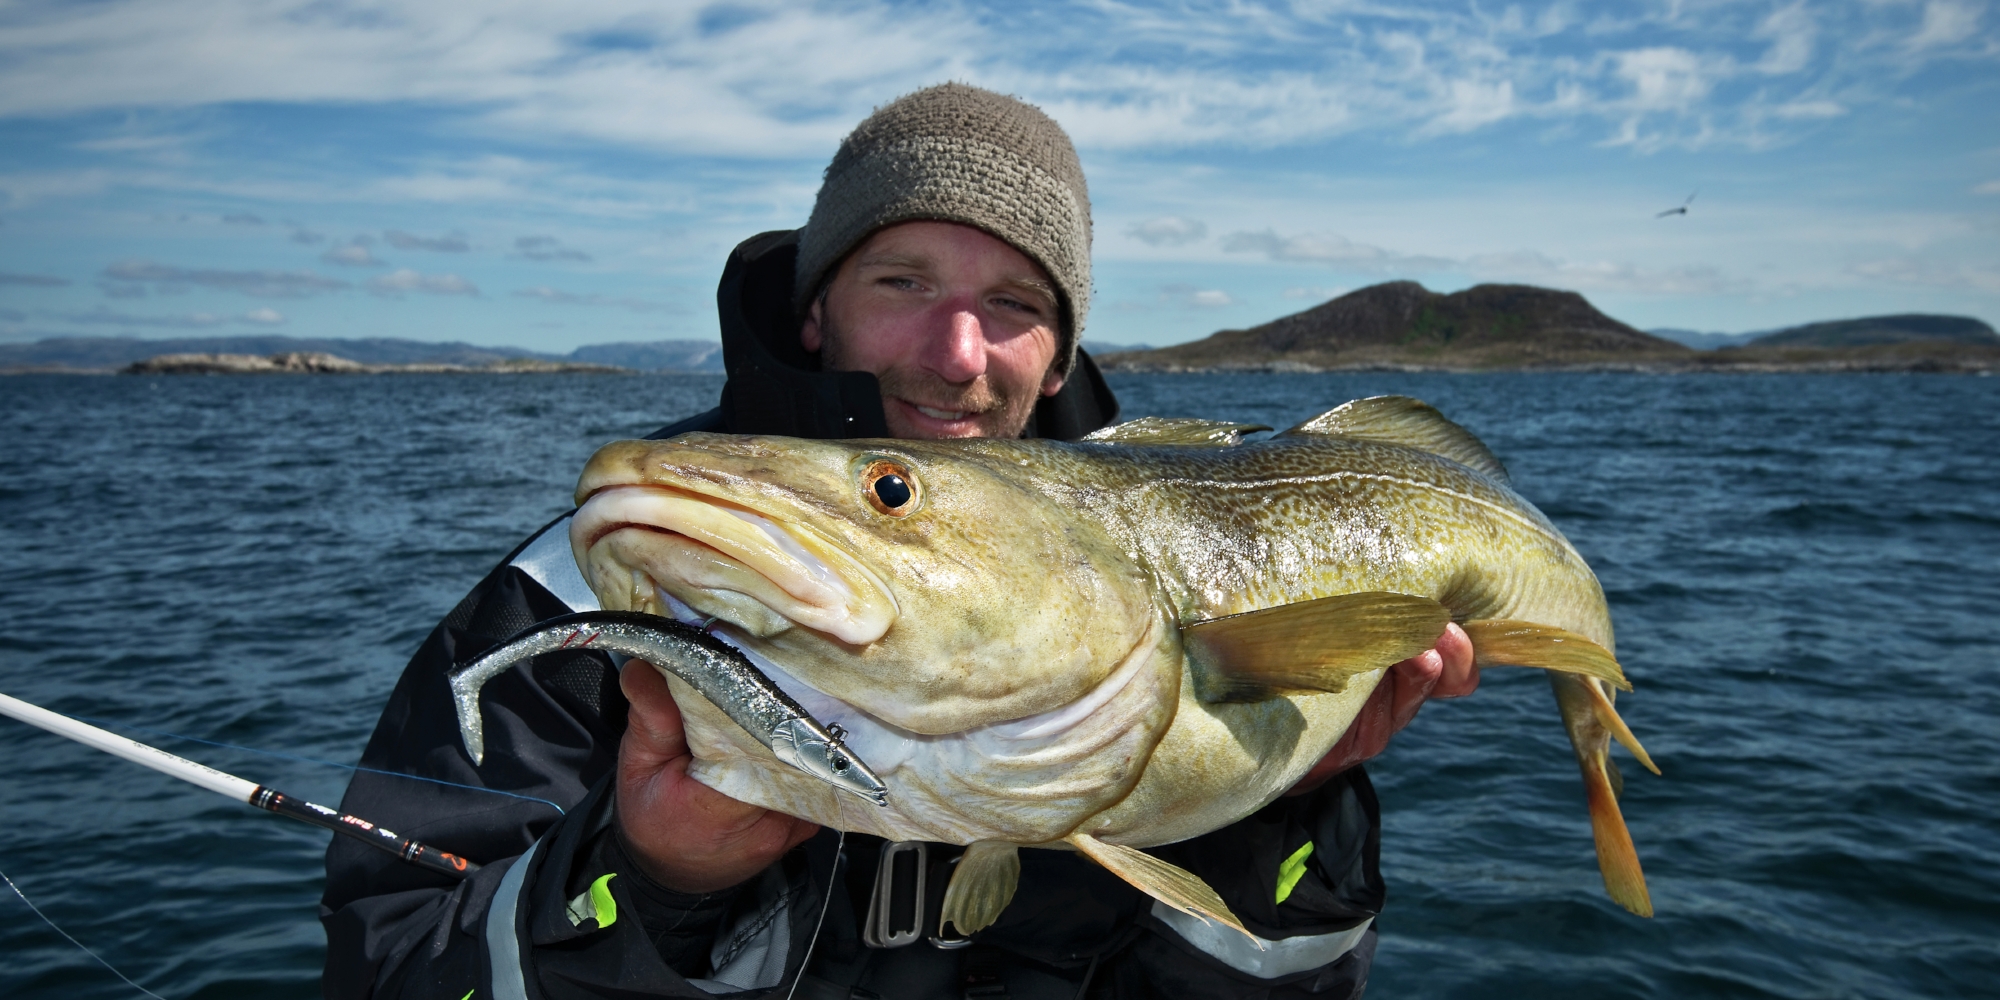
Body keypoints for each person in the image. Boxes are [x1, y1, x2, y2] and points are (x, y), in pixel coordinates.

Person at [321, 83, 1477, 1000]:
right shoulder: (570, 598)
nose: (958, 350)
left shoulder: (1166, 565)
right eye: (902, 278)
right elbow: (390, 958)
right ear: (817, 306)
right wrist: (649, 878)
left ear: (1062, 357)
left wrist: (1278, 798)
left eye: (1017, 302)